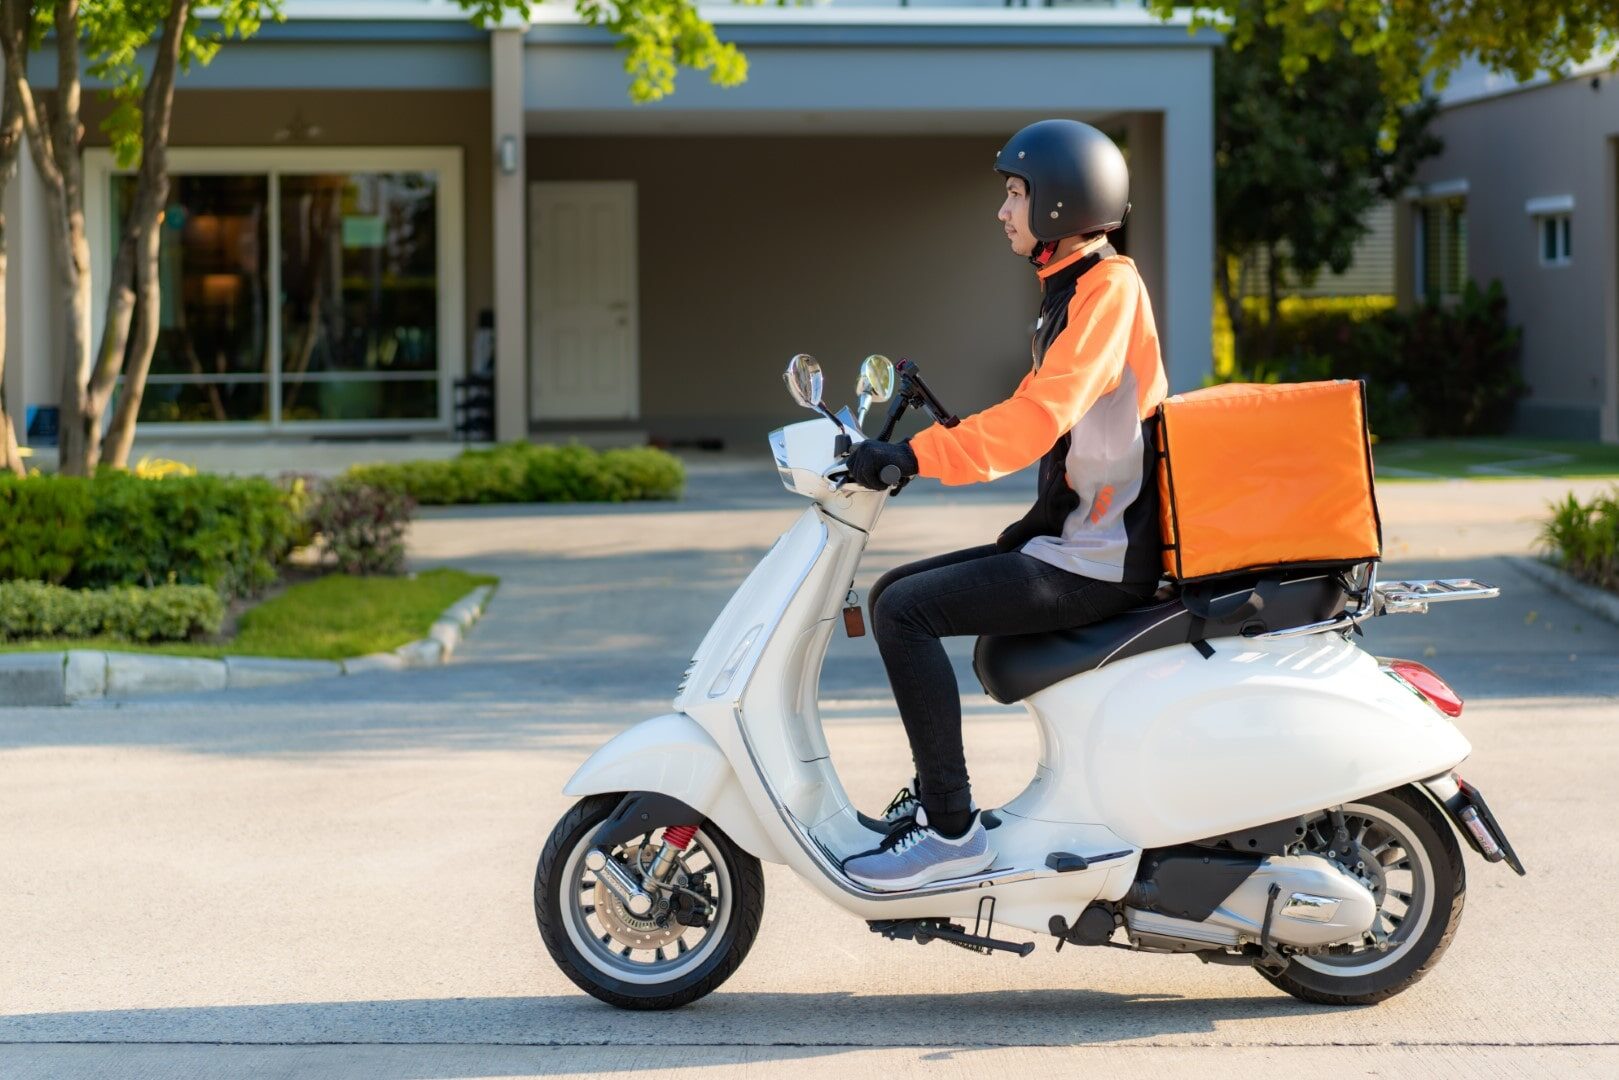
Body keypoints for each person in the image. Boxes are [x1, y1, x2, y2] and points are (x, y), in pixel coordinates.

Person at [838, 119, 1169, 892]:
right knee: (894, 595)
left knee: (904, 613)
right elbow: (1045, 414)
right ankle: (939, 811)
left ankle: (951, 832)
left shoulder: (1107, 290)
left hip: (1100, 558)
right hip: (1075, 540)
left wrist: (915, 457)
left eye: (1015, 193)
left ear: (1058, 204)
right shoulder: (1073, 291)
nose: (1002, 210)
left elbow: (1038, 416)